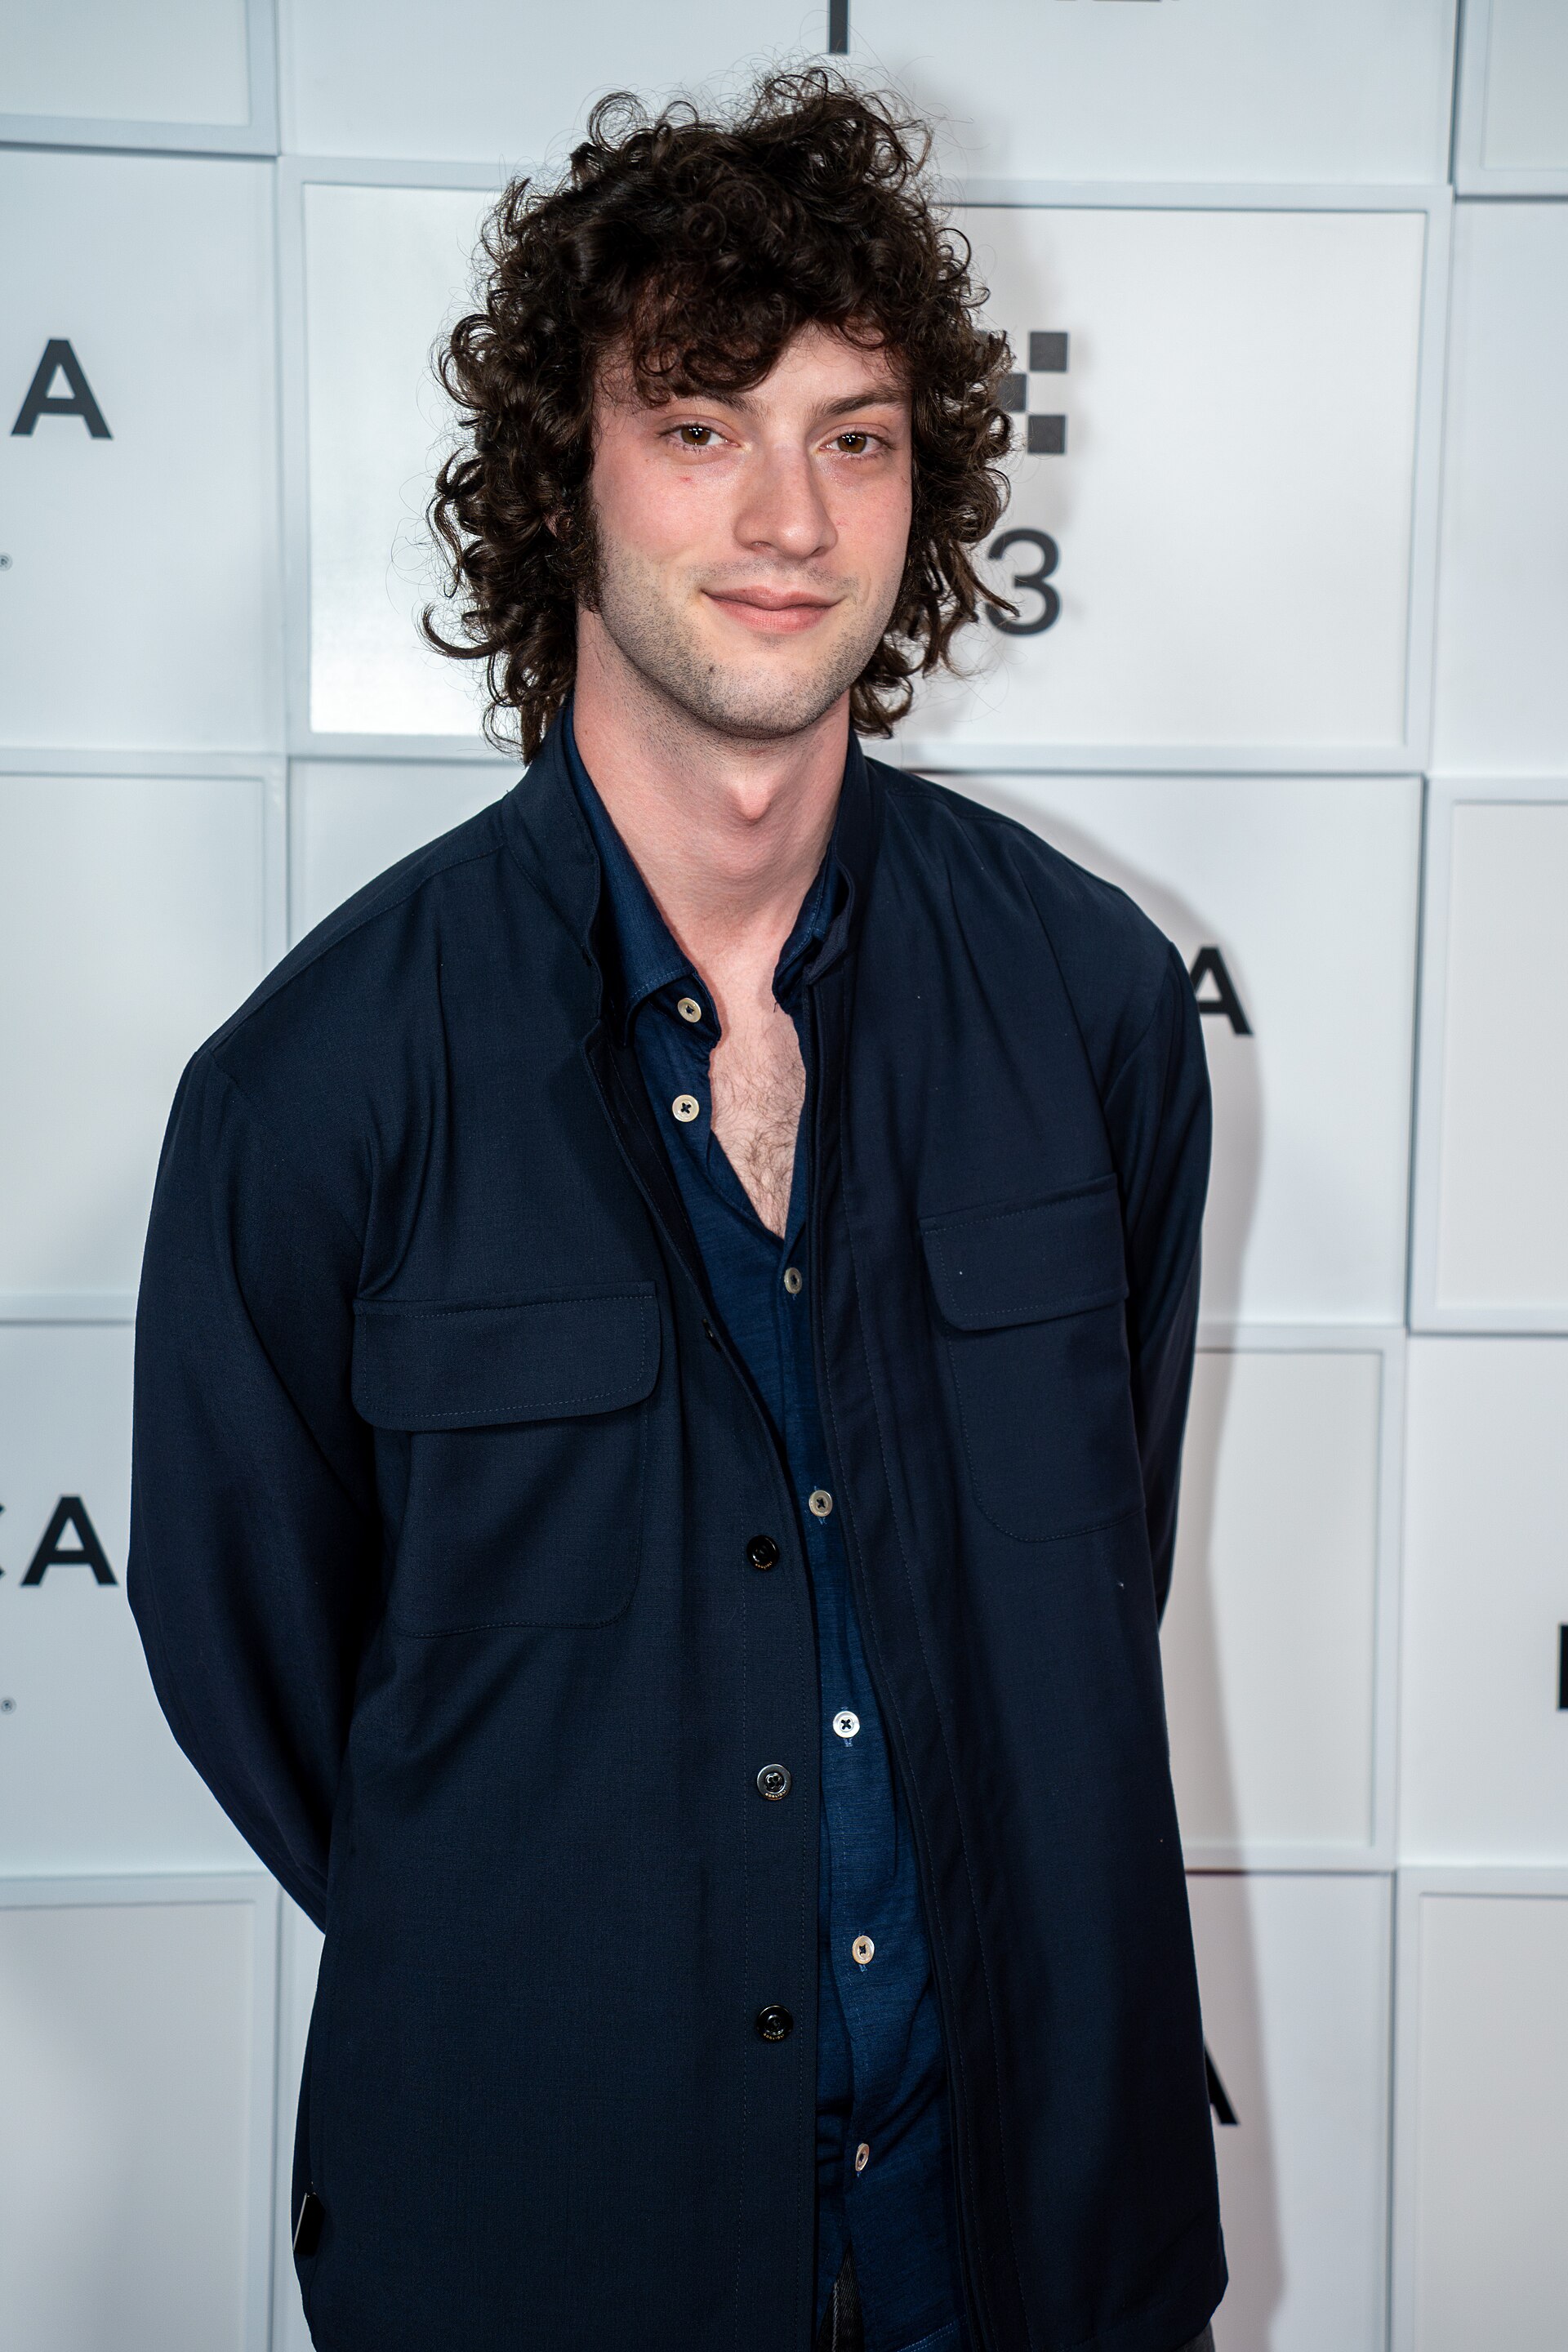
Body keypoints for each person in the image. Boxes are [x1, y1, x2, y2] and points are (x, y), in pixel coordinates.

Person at [128, 69, 1222, 2352]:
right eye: (702, 424)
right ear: (571, 479)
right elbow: (274, 1686)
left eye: (858, 432)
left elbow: (1101, 1542)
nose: (790, 512)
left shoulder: (1097, 1007)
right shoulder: (315, 1088)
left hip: (1018, 2236)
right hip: (548, 2240)